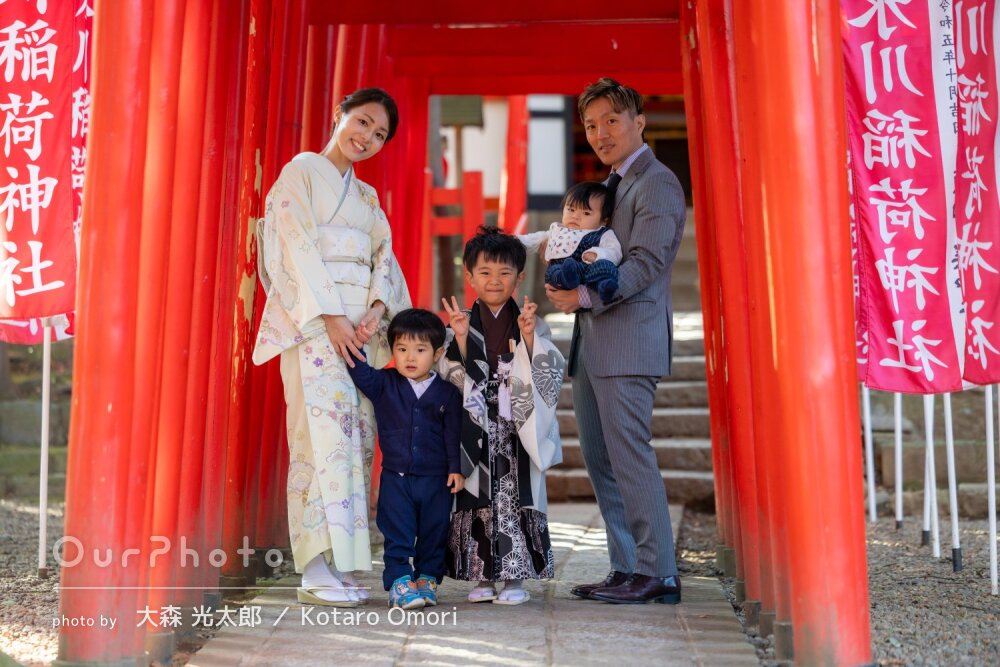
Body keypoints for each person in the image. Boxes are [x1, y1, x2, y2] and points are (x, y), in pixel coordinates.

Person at [252, 88, 411, 607]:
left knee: (355, 440)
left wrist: (376, 310)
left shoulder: (366, 198)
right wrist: (332, 316)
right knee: (316, 438)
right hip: (316, 327)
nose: (367, 137)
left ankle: (339, 562)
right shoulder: (299, 173)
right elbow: (293, 245)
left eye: (379, 134)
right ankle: (313, 568)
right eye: (362, 122)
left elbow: (383, 256)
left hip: (360, 332)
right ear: (339, 114)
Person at [546, 78, 686, 604]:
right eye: (590, 125)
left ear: (639, 122)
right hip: (594, 343)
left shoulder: (657, 183)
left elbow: (647, 263)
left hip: (628, 341)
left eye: (611, 120)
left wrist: (584, 296)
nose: (600, 133)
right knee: (602, 460)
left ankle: (658, 572)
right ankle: (627, 566)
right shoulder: (611, 186)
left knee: (629, 455)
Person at [439, 227, 565, 606]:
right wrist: (462, 339)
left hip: (516, 422)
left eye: (504, 272)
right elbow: (447, 371)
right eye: (485, 272)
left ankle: (514, 579)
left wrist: (530, 338)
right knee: (476, 495)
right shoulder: (460, 323)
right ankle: (481, 577)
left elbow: (547, 369)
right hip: (474, 422)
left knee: (514, 495)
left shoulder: (530, 321)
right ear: (470, 277)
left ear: (520, 277)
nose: (494, 280)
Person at [345, 309, 464, 609]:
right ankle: (399, 581)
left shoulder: (448, 393)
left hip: (437, 479)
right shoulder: (384, 384)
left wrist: (456, 468)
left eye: (420, 350)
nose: (410, 357)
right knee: (396, 529)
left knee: (434, 530)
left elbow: (453, 434)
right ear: (392, 350)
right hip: (396, 478)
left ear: (437, 353)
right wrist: (359, 342)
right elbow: (359, 370)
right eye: (402, 349)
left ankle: (427, 579)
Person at [518, 181, 622, 303]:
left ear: (604, 220)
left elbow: (614, 251)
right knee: (553, 272)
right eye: (571, 210)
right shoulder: (558, 230)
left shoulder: (603, 233)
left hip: (588, 270)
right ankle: (567, 278)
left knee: (605, 266)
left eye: (586, 213)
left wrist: (598, 254)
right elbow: (535, 238)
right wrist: (516, 240)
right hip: (562, 270)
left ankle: (605, 286)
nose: (575, 216)